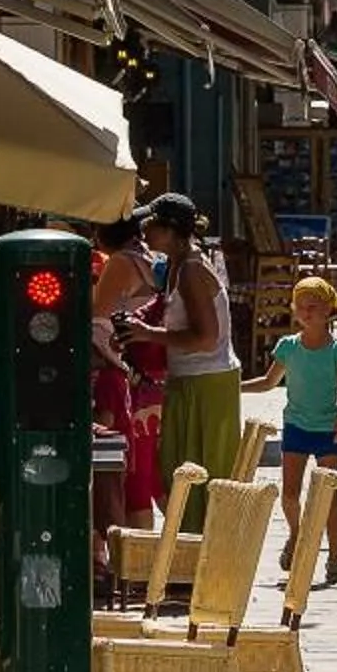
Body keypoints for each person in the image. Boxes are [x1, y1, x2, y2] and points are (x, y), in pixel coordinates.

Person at [244, 275, 337, 585]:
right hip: (295, 427)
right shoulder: (288, 347)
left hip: (327, 429)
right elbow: (268, 382)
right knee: (290, 494)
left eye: (313, 306)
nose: (306, 312)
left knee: (330, 498)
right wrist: (235, 387)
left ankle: (334, 559)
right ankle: (296, 533)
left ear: (328, 310)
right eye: (301, 306)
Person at [147, 192, 242, 533]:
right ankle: (189, 551)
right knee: (177, 471)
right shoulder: (178, 264)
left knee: (204, 477)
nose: (144, 230)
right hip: (190, 380)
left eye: (151, 223)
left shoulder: (191, 270)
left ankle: (208, 554)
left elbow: (206, 338)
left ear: (169, 230)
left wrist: (148, 334)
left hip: (207, 383)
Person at [91, 212, 163, 534]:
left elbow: (97, 316)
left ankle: (138, 559)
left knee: (133, 479)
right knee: (150, 476)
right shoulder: (148, 258)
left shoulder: (121, 262)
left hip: (128, 376)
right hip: (152, 375)